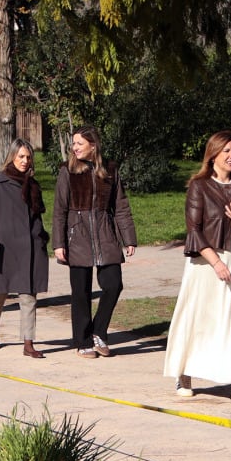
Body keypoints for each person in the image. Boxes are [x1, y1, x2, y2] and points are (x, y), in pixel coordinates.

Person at [164, 130, 231, 409]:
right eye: (227, 152)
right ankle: (183, 374)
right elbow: (194, 231)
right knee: (198, 316)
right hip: (206, 262)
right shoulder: (199, 186)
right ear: (213, 155)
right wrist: (216, 263)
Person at [52, 125, 136, 358]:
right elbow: (59, 210)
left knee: (113, 284)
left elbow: (120, 206)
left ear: (93, 145)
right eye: (74, 143)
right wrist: (59, 243)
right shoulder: (67, 172)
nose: (74, 147)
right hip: (76, 236)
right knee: (81, 291)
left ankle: (99, 331)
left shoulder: (110, 170)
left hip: (105, 233)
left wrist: (128, 237)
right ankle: (83, 341)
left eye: (79, 143)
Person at [0, 139, 49, 358]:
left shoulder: (33, 185)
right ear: (12, 157)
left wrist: (41, 238)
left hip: (29, 247)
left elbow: (37, 216)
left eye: (28, 157)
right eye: (21, 157)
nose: (25, 161)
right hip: (4, 247)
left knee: (28, 296)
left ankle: (28, 342)